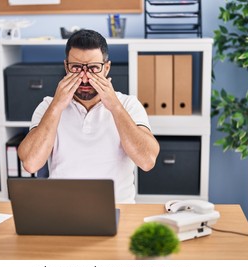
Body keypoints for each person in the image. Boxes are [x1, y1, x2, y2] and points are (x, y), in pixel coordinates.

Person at [18, 29, 159, 203]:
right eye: (76, 68)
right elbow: (31, 163)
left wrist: (114, 106)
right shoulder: (48, 106)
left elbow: (147, 161)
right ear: (66, 67)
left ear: (106, 68)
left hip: (119, 207)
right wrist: (57, 106)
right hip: (62, 207)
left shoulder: (129, 105)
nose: (84, 78)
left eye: (93, 68)